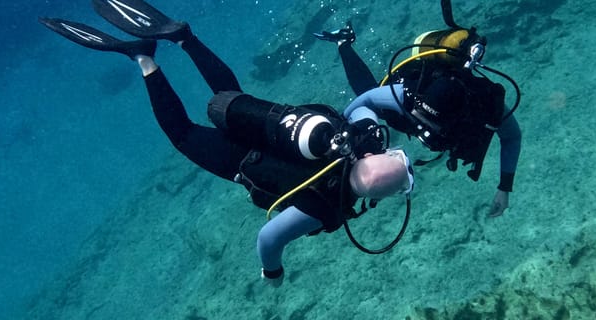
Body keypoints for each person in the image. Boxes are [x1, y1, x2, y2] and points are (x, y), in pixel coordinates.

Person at [39, 0, 415, 287]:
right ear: (376, 197)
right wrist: (273, 272)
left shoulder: (363, 138)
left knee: (228, 95)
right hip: (239, 161)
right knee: (183, 134)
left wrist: (402, 97)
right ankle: (143, 58)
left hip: (265, 125)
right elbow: (268, 237)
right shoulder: (324, 207)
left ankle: (184, 38)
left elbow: (362, 103)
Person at [313, 10, 522, 218]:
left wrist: (504, 187)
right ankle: (344, 41)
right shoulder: (412, 95)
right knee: (368, 91)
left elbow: (512, 137)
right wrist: (343, 129)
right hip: (406, 102)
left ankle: (343, 41)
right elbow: (368, 98)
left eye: (432, 122)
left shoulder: (486, 104)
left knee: (373, 95)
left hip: (414, 108)